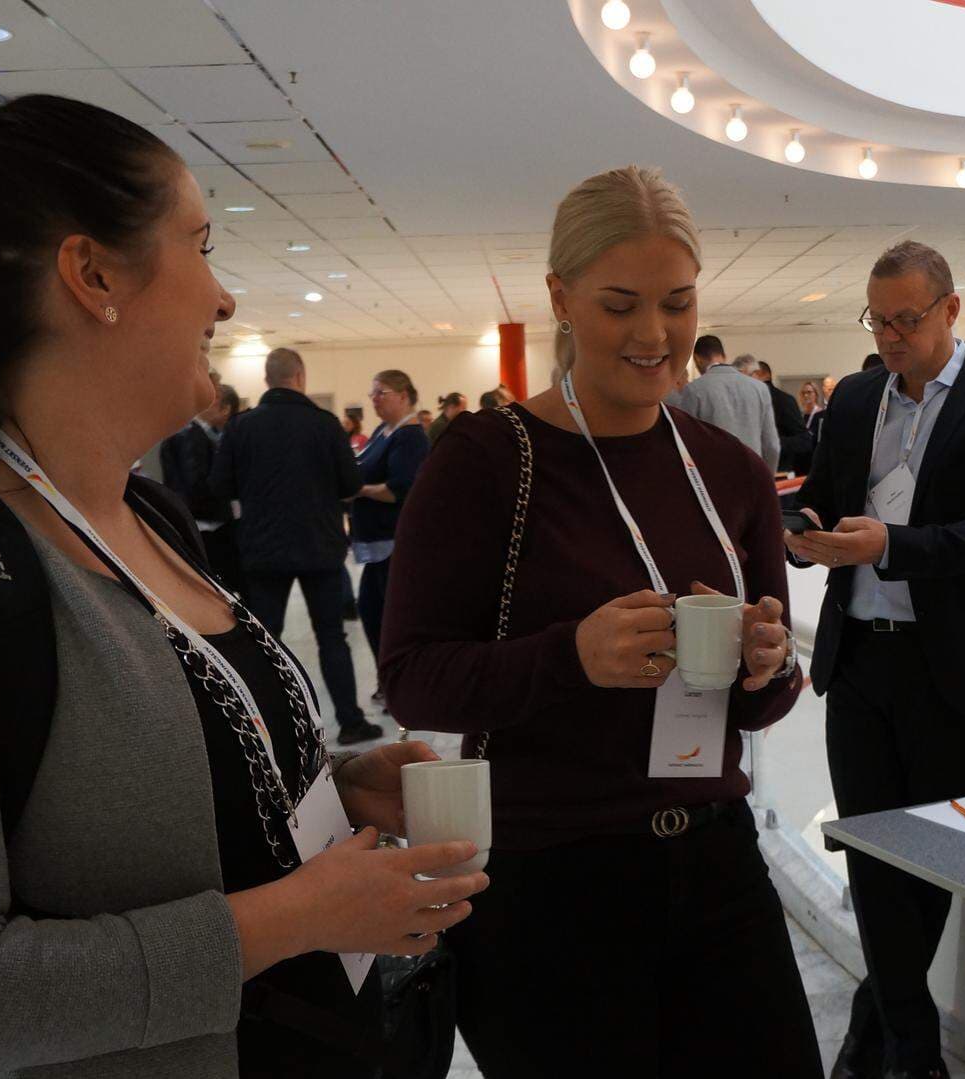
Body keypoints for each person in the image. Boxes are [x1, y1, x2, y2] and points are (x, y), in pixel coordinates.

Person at [0, 92, 486, 1079]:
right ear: (93, 276)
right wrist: (295, 916)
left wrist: (333, 787)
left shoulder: (147, 515)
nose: (224, 299)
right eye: (201, 246)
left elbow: (145, 802)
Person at [379, 165, 821, 1078]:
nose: (654, 334)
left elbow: (759, 704)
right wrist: (569, 655)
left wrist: (767, 664)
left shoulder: (729, 471)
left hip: (716, 861)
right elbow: (413, 677)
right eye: (620, 305)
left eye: (677, 302)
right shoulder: (489, 461)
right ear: (561, 299)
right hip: (551, 882)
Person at [786, 240, 965, 1079]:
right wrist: (800, 533)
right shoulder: (857, 397)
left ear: (950, 309)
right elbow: (822, 496)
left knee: (927, 865)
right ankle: (906, 1049)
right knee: (871, 857)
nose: (891, 336)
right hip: (858, 658)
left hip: (950, 669)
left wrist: (892, 546)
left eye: (906, 319)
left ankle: (889, 1047)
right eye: (878, 320)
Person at [212, 348, 383, 745]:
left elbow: (219, 484)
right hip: (320, 546)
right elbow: (350, 484)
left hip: (263, 548)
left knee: (265, 640)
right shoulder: (324, 424)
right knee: (332, 637)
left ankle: (268, 727)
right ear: (301, 377)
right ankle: (350, 721)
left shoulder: (241, 426)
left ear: (267, 379)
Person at [351, 370, 430, 665]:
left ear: (403, 396)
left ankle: (397, 675)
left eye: (380, 393)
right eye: (372, 394)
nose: (374, 399)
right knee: (371, 611)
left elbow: (398, 489)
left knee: (385, 617)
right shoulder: (382, 431)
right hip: (377, 545)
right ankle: (387, 675)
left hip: (394, 543)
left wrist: (359, 490)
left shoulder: (410, 438)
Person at [160, 381, 245, 596]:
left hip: (201, 520)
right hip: (208, 524)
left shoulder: (190, 432)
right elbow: (196, 483)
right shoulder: (191, 434)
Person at [671, 334, 780, 465]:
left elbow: (684, 442)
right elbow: (772, 446)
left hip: (713, 473)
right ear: (724, 356)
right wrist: (766, 474)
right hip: (753, 471)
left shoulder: (694, 390)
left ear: (697, 359)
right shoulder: (760, 388)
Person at [749, 357, 815, 474]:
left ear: (760, 374)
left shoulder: (782, 401)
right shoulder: (752, 399)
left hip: (780, 470)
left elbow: (804, 440)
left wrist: (772, 442)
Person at [800, 379, 829, 448]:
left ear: (816, 394)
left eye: (809, 392)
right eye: (803, 393)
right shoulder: (800, 415)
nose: (806, 395)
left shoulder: (822, 414)